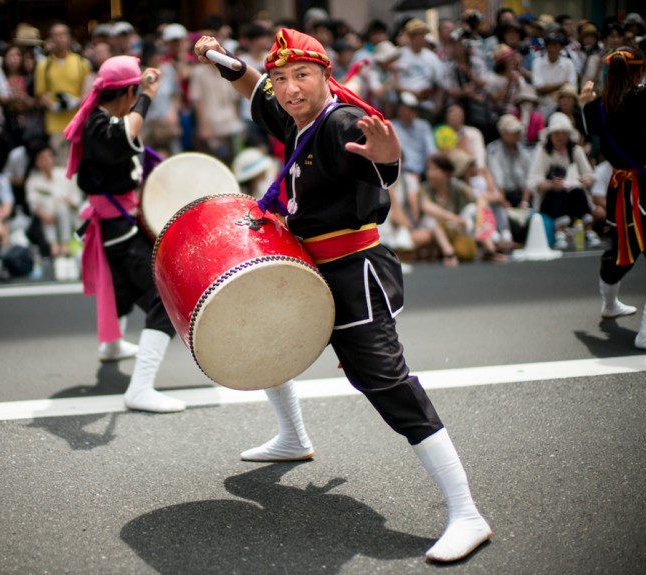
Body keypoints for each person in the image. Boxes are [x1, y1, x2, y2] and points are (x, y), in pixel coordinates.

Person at [194, 28, 492, 563]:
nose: (288, 88)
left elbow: (378, 161)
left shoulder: (338, 123)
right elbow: (254, 86)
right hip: (309, 265)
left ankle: (467, 513)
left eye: (301, 75)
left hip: (352, 273)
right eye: (283, 78)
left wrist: (389, 155)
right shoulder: (297, 116)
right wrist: (215, 55)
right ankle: (292, 437)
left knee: (387, 385)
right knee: (270, 334)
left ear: (327, 76)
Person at [64, 54, 185, 413]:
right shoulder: (100, 126)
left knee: (121, 286)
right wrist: (147, 95)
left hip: (118, 223)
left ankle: (111, 345)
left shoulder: (103, 119)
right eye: (133, 94)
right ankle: (140, 389)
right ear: (126, 93)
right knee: (164, 298)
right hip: (117, 225)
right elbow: (125, 134)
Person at [581, 46, 646, 352]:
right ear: (636, 72)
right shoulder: (640, 98)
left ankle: (609, 305)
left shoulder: (596, 107)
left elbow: (588, 118)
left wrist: (583, 101)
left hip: (619, 191)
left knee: (621, 251)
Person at [526, 112, 598, 249]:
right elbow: (533, 180)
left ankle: (588, 230)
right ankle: (560, 232)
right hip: (549, 198)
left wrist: (586, 181)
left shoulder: (575, 150)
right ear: (550, 135)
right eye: (556, 133)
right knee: (559, 194)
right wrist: (550, 185)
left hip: (573, 193)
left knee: (577, 192)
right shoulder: (542, 151)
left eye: (563, 133)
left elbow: (590, 174)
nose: (560, 137)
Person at [35, 22, 92, 166]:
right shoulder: (43, 65)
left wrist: (76, 101)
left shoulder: (81, 63)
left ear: (69, 38)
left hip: (78, 121)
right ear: (50, 39)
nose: (59, 39)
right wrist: (53, 105)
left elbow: (90, 92)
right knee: (60, 164)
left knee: (81, 162)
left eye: (63, 35)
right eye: (55, 35)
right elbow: (40, 95)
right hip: (55, 124)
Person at [25, 143, 80, 280]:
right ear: (36, 162)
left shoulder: (65, 174)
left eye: (49, 156)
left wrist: (68, 201)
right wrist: (43, 213)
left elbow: (76, 199)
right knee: (48, 211)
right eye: (42, 158)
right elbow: (33, 204)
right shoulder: (33, 180)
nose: (47, 160)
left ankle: (63, 245)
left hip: (69, 216)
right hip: (46, 220)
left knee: (61, 208)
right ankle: (53, 245)